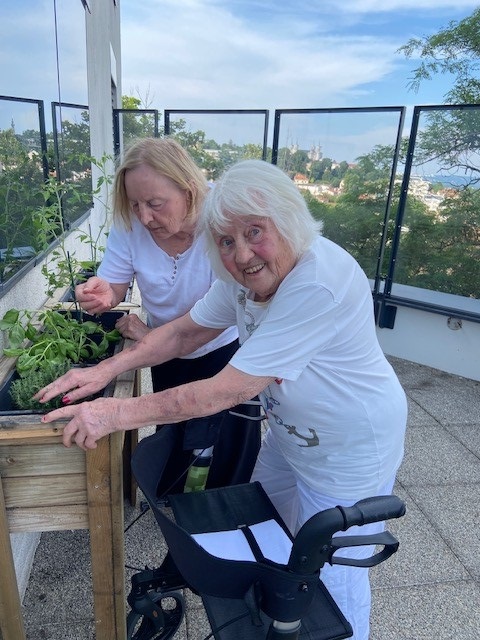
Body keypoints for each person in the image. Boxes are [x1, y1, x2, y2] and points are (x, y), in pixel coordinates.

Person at [37, 159, 407, 640]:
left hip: (349, 447)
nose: (243, 253)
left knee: (335, 575)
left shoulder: (316, 282)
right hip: (291, 435)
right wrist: (102, 372)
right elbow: (184, 333)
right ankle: (276, 621)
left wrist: (113, 413)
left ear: (290, 221)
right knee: (262, 532)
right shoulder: (239, 277)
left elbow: (226, 389)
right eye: (227, 241)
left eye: (256, 232)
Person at [74, 137, 261, 492]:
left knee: (227, 441)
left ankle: (225, 507)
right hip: (163, 348)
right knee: (172, 429)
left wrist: (144, 338)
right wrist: (103, 292)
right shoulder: (132, 224)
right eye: (135, 204)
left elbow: (212, 318)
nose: (144, 216)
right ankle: (177, 500)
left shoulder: (223, 221)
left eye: (155, 204)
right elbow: (115, 284)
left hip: (224, 347)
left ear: (190, 190)